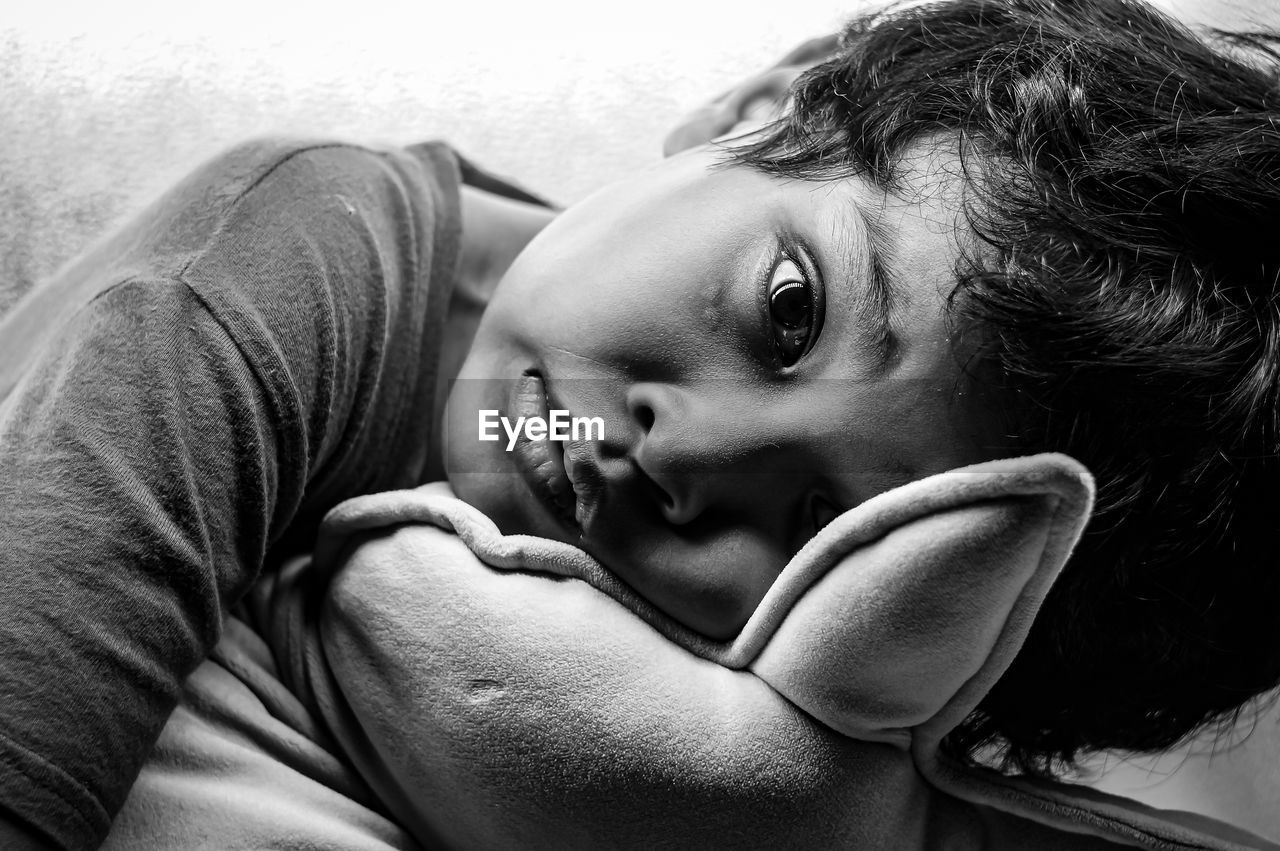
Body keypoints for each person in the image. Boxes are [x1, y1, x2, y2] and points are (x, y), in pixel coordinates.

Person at [1, 0, 1278, 848]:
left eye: (826, 529)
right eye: (787, 310)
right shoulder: (291, 272)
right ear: (757, 111)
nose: (679, 450)